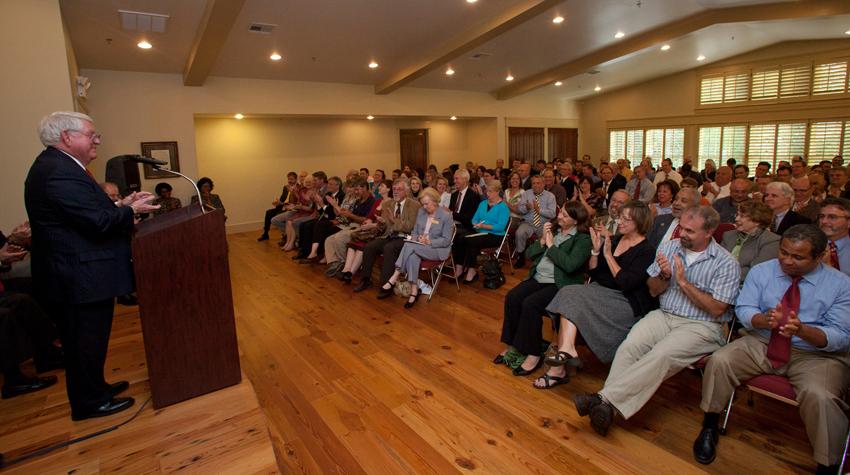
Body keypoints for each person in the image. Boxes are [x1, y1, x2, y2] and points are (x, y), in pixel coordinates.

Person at [25, 111, 160, 420]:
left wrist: (122, 206)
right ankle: (88, 403)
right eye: (91, 134)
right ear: (67, 137)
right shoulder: (58, 171)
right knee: (83, 341)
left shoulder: (63, 166)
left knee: (90, 341)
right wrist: (130, 211)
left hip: (82, 272)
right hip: (78, 275)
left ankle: (96, 388)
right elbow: (96, 223)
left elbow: (83, 213)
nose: (97, 138)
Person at [693, 225, 850, 473]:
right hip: (763, 340)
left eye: (798, 257)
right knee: (720, 360)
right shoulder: (763, 271)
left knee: (821, 396)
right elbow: (744, 308)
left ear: (819, 257)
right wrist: (760, 319)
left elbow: (841, 336)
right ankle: (710, 423)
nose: (787, 261)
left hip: (816, 354)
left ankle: (827, 464)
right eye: (784, 252)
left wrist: (802, 330)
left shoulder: (841, 285)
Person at [572, 206, 740, 437]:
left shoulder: (726, 263)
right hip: (664, 314)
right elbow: (653, 290)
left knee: (661, 355)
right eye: (681, 228)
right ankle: (606, 405)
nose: (682, 234)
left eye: (690, 231)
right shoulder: (670, 246)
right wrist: (664, 276)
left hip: (701, 325)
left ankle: (603, 399)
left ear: (709, 232)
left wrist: (683, 283)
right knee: (630, 346)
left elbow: (717, 308)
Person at [540, 201, 657, 387]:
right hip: (600, 291)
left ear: (640, 223)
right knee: (568, 294)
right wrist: (596, 251)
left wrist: (609, 255)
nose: (620, 221)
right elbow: (595, 273)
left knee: (570, 296)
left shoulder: (647, 251)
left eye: (627, 219)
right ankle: (567, 351)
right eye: (621, 216)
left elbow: (626, 282)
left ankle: (560, 365)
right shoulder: (617, 239)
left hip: (625, 300)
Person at [497, 201, 592, 377]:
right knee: (512, 297)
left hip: (560, 284)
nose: (559, 217)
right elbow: (528, 255)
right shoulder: (554, 231)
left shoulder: (583, 240)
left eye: (564, 215)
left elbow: (570, 266)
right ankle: (514, 345)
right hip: (538, 277)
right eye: (560, 212)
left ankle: (533, 353)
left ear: (576, 221)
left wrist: (551, 246)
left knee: (530, 304)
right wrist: (541, 241)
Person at [377, 188, 453, 309]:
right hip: (419, 246)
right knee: (412, 256)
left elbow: (446, 240)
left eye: (427, 203)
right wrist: (418, 238)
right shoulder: (422, 212)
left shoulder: (445, 216)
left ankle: (395, 276)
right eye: (423, 204)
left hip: (437, 249)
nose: (424, 206)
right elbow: (415, 231)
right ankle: (413, 291)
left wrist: (429, 241)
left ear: (435, 201)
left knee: (407, 245)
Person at [351, 179, 421, 292]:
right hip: (389, 236)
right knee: (370, 247)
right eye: (394, 189)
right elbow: (383, 229)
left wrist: (394, 220)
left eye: (399, 189)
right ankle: (365, 280)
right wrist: (381, 223)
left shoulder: (414, 205)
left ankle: (386, 285)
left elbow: (410, 227)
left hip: (405, 238)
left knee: (389, 248)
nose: (396, 192)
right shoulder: (388, 204)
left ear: (407, 191)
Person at [453, 180, 510, 284]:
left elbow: (500, 227)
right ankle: (460, 267)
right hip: (479, 233)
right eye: (486, 191)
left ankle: (471, 270)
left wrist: (483, 226)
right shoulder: (483, 204)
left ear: (497, 192)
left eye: (490, 191)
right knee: (459, 238)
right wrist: (475, 223)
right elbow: (474, 219)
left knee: (471, 241)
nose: (487, 194)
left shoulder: (503, 207)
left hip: (495, 235)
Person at [335, 179, 392, 282]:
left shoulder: (391, 202)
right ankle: (346, 270)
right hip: (370, 229)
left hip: (380, 231)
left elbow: (387, 223)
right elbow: (369, 216)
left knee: (361, 244)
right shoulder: (378, 201)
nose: (379, 187)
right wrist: (368, 222)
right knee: (354, 242)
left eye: (382, 186)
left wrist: (371, 225)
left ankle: (351, 273)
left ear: (388, 189)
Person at [720, 200, 780, 283]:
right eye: (737, 215)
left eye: (742, 216)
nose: (736, 219)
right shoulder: (729, 235)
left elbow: (756, 271)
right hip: (720, 281)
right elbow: (717, 261)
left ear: (757, 221)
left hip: (746, 285)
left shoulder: (771, 240)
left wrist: (724, 277)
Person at [514, 176, 557, 268]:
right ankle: (521, 257)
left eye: (538, 183)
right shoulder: (526, 194)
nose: (536, 185)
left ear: (543, 184)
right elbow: (520, 210)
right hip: (528, 222)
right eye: (534, 183)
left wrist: (539, 210)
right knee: (519, 233)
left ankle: (542, 259)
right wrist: (526, 208)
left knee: (547, 236)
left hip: (543, 224)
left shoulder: (550, 196)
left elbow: (553, 214)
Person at [279, 175, 318, 251]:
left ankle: (291, 243)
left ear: (313, 182)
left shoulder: (315, 192)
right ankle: (288, 242)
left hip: (309, 213)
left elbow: (311, 209)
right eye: (306, 182)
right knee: (288, 221)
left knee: (293, 222)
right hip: (301, 211)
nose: (307, 183)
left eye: (309, 182)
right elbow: (299, 201)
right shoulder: (303, 190)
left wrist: (301, 207)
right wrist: (295, 204)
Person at [258, 172, 296, 241]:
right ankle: (265, 233)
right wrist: (277, 202)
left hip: (289, 209)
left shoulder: (298, 188)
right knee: (268, 212)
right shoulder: (285, 187)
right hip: (282, 206)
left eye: (292, 179)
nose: (290, 181)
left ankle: (287, 235)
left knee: (277, 216)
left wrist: (282, 203)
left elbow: (294, 202)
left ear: (296, 179)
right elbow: (282, 199)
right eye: (288, 179)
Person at [817, 197, 850, 277]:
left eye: (832, 217)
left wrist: (828, 267)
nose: (824, 221)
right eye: (822, 216)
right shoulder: (808, 246)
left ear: (849, 222)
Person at [448, 169, 481, 235]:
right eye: (454, 179)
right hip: (453, 225)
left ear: (465, 179)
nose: (454, 181)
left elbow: (469, 219)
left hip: (466, 227)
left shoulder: (474, 196)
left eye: (456, 179)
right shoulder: (454, 195)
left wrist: (451, 213)